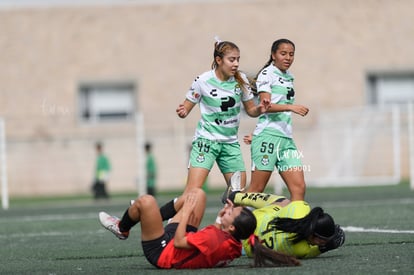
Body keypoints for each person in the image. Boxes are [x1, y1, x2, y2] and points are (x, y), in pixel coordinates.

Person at [159, 38, 270, 220]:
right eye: (232, 59)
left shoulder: (240, 79)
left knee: (238, 195)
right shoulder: (203, 80)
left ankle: (226, 234)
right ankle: (169, 223)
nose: (236, 64)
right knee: (192, 193)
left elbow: (250, 110)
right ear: (219, 60)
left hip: (230, 144)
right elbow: (187, 105)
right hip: (206, 142)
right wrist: (183, 111)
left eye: (238, 59)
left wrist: (260, 109)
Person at [98, 188, 300, 269]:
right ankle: (149, 218)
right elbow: (212, 242)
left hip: (164, 252)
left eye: (231, 212)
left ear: (230, 228)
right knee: (199, 194)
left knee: (146, 201)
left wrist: (185, 213)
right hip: (182, 242)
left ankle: (122, 228)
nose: (228, 209)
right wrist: (222, 220)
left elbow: (179, 242)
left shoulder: (215, 238)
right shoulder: (232, 241)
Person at [247, 38, 309, 201]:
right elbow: (265, 105)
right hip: (268, 137)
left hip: (286, 140)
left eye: (291, 54)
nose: (288, 58)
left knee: (299, 188)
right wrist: (291, 107)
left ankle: (296, 225)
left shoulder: (289, 76)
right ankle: (227, 220)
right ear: (273, 55)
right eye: (283, 53)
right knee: (256, 189)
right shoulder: (267, 74)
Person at [227, 191, 345, 259]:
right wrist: (324, 248)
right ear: (314, 236)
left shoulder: (301, 208)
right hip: (249, 248)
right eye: (323, 240)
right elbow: (311, 252)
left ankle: (237, 196)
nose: (324, 242)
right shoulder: (301, 250)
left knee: (283, 202)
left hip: (253, 219)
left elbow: (293, 206)